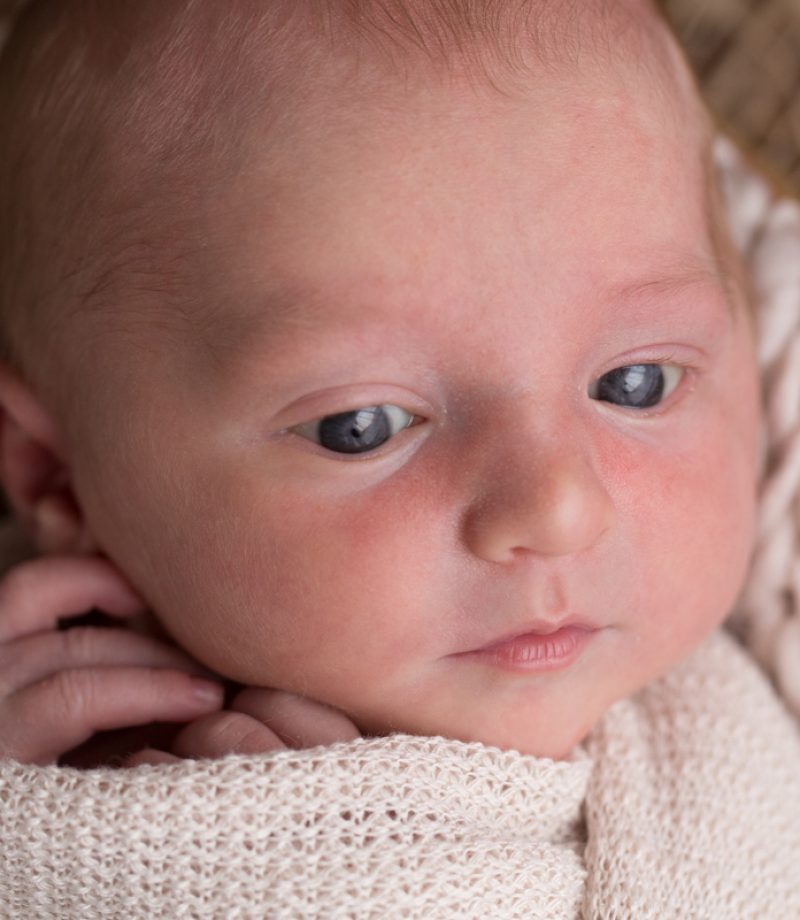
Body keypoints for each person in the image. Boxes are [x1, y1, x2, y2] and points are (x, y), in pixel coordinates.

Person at [1, 1, 800, 916]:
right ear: (55, 476)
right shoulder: (43, 778)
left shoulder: (736, 742)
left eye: (638, 384)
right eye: (364, 425)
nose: (556, 507)